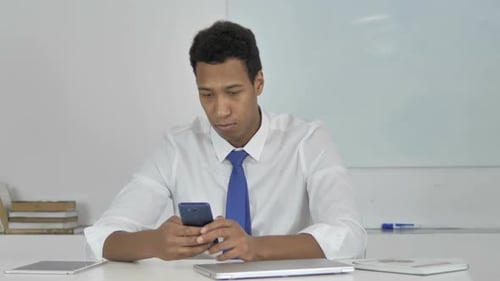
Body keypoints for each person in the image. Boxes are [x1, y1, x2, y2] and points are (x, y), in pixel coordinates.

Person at [84, 20, 366, 262]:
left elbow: (350, 236)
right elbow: (100, 238)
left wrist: (255, 248)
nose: (220, 110)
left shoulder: (307, 140)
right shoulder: (177, 147)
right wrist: (154, 243)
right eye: (207, 94)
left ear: (259, 83)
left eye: (233, 92)